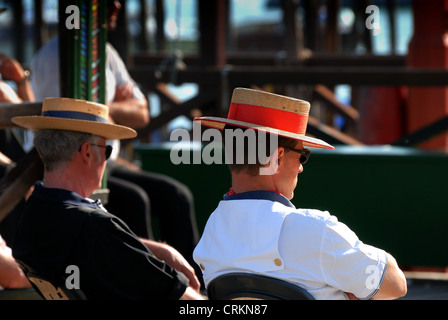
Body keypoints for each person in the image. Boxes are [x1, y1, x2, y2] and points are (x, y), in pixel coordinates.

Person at [28, 0, 200, 274]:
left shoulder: (105, 52)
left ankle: (190, 282)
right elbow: (74, 119)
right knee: (135, 199)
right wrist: (114, 109)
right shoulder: (57, 55)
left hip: (103, 156)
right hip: (71, 158)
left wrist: (102, 107)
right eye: (106, 1)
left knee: (176, 195)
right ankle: (147, 280)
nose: (117, 6)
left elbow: (141, 112)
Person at [193, 87, 407, 300]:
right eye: (302, 155)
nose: (302, 167)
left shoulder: (210, 237)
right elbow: (395, 284)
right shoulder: (318, 231)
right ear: (276, 158)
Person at [11, 97, 203, 300]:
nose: (106, 159)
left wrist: (158, 249)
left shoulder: (33, 214)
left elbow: (94, 240)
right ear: (86, 152)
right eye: (107, 149)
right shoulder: (94, 227)